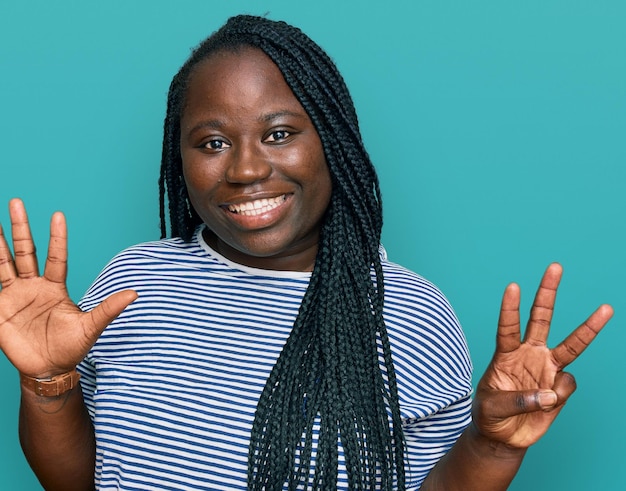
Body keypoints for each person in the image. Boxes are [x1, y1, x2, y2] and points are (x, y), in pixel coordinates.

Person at [0, 15, 613, 491]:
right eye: (212, 141)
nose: (245, 168)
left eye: (279, 134)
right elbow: (78, 482)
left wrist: (493, 445)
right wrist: (47, 382)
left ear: (334, 144)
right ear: (178, 159)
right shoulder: (134, 281)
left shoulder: (410, 315)